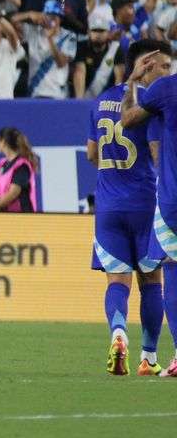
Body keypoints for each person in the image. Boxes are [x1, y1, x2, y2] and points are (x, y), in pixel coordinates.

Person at [87, 39, 170, 376]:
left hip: (108, 206)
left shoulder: (101, 100)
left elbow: (92, 154)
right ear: (145, 64)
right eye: (162, 65)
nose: (167, 72)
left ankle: (118, 332)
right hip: (145, 204)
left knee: (116, 282)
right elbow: (155, 153)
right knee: (151, 280)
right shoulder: (149, 105)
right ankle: (148, 358)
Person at [0, 127, 39, 213]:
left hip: (22, 216)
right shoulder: (2, 164)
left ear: (3, 142)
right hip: (6, 215)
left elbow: (13, 193)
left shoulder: (22, 165)